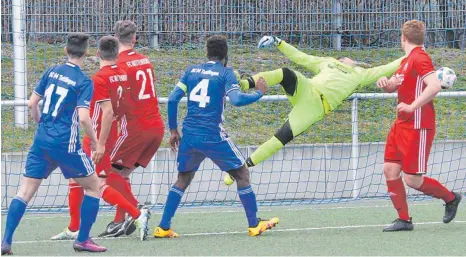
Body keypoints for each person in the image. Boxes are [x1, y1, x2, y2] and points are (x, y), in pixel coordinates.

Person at [223, 35, 404, 184]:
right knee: (285, 72)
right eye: (351, 58)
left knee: (281, 137)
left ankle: (242, 168)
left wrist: (411, 53)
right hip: (307, 89)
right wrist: (279, 42)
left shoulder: (361, 74)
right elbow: (301, 57)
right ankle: (244, 84)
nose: (354, 60)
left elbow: (386, 68)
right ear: (341, 59)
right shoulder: (328, 62)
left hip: (316, 108)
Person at [153, 35, 279, 238]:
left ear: (207, 52)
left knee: (183, 178)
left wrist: (174, 130)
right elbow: (236, 100)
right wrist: (259, 93)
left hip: (190, 135)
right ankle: (254, 224)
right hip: (212, 135)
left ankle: (163, 227)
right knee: (241, 174)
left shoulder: (191, 71)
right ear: (225, 54)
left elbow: (174, 98)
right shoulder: (226, 73)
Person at [2, 33, 108, 254]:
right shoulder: (83, 81)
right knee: (93, 186)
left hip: (41, 141)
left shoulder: (51, 71)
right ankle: (83, 240)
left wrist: (41, 123)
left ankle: (6, 242)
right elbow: (83, 118)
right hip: (65, 144)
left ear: (65, 51)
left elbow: (32, 103)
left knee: (25, 192)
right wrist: (97, 143)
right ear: (86, 53)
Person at [50, 36, 150, 241]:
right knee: (76, 179)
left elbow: (107, 112)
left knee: (98, 184)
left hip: (97, 136)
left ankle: (137, 213)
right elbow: (126, 106)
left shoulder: (98, 79)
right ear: (117, 54)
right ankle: (73, 227)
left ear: (96, 54)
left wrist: (99, 143)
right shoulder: (122, 74)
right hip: (112, 133)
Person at [376, 20, 461, 232]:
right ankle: (404, 220)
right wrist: (386, 83)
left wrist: (412, 106)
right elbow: (395, 84)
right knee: (390, 169)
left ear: (402, 38)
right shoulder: (406, 61)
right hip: (401, 124)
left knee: (412, 179)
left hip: (418, 125)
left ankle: (451, 198)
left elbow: (434, 86)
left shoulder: (420, 57)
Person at [96, 20, 165, 239]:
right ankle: (119, 222)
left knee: (108, 174)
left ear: (115, 38)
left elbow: (119, 99)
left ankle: (137, 210)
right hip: (156, 126)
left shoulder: (119, 65)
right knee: (122, 173)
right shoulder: (145, 60)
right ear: (134, 38)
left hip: (135, 127)